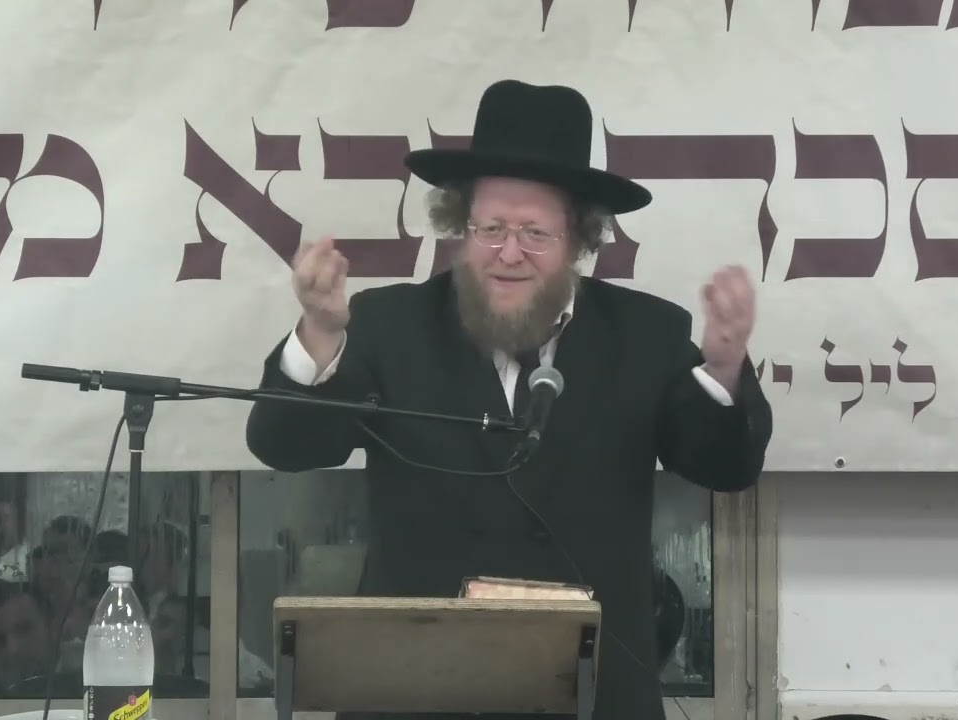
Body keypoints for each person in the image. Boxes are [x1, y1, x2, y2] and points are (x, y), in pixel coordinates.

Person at [245, 79, 774, 720]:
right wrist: (320, 334)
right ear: (460, 227)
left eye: (536, 233)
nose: (510, 254)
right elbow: (285, 444)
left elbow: (725, 466)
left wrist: (724, 368)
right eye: (490, 228)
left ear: (578, 238)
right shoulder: (390, 325)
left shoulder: (645, 335)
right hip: (416, 695)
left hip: (592, 697)